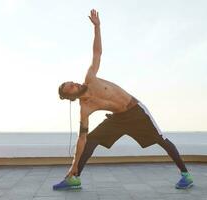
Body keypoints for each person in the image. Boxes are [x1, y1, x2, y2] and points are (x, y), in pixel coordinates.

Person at [53, 9, 193, 190]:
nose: (74, 83)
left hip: (135, 111)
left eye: (71, 82)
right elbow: (81, 139)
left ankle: (186, 175)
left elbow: (97, 53)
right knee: (91, 140)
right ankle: (75, 177)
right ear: (71, 97)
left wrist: (97, 27)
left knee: (161, 140)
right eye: (70, 87)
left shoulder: (90, 78)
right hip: (118, 118)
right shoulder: (85, 108)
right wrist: (73, 164)